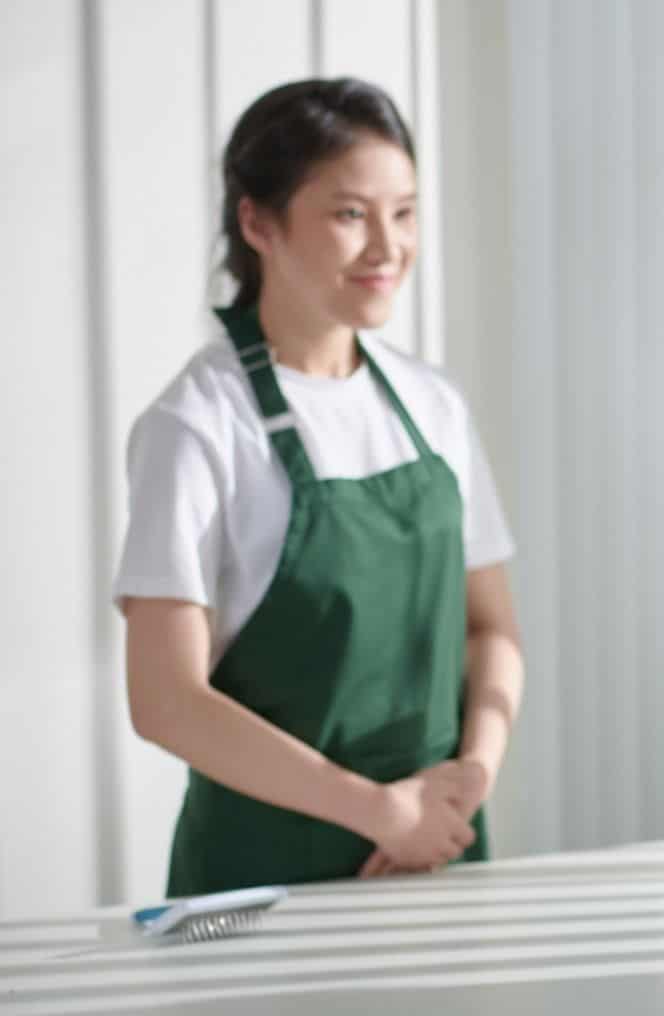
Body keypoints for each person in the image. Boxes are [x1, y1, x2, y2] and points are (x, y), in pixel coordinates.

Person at [115, 78, 524, 897]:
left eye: (404, 212)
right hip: (261, 885)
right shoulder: (196, 426)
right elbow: (165, 700)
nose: (387, 246)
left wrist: (466, 783)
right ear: (258, 223)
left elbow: (492, 631)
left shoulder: (431, 404)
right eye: (350, 215)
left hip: (436, 858)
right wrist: (380, 812)